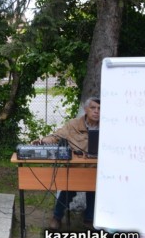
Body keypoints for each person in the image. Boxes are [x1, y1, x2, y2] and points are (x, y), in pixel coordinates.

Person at [32, 96, 100, 230]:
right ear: (86, 109)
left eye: (99, 109)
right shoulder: (73, 125)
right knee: (67, 187)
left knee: (94, 188)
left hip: (96, 170)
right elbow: (56, 136)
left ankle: (89, 220)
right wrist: (43, 141)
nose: (97, 111)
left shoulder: (108, 126)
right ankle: (56, 217)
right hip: (75, 169)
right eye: (93, 108)